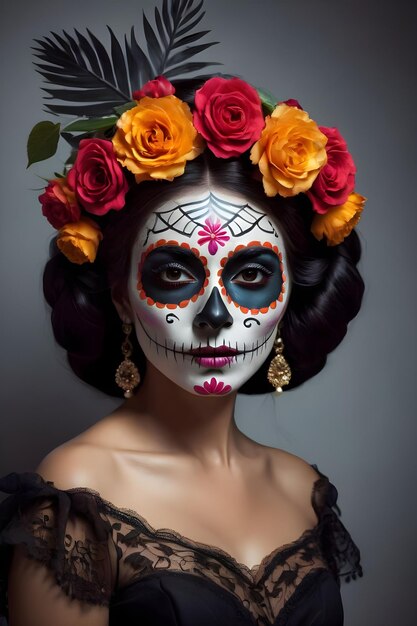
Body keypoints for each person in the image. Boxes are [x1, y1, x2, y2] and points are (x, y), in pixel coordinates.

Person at [0, 2, 364, 624]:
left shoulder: (304, 488)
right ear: (119, 294)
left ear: (291, 295)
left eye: (251, 275)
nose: (216, 315)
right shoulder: (77, 491)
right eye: (174, 274)